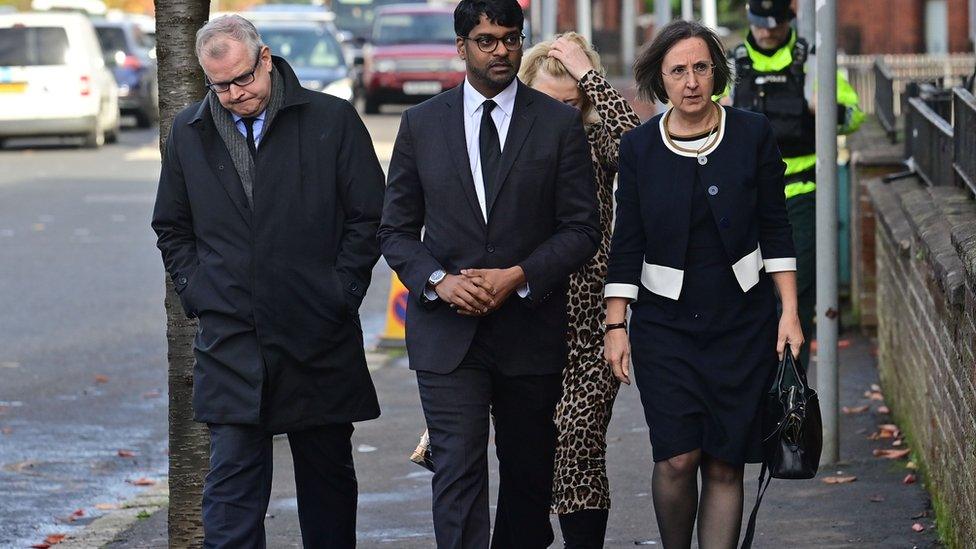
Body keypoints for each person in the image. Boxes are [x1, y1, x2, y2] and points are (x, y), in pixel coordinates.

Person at [151, 14, 385, 548]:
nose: (235, 94)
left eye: (243, 79)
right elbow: (172, 226)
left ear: (265, 58)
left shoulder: (331, 118)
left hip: (317, 332)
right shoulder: (188, 133)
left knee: (326, 485)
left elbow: (369, 215)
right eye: (221, 86)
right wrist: (200, 292)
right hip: (231, 337)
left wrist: (340, 291)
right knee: (231, 494)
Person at [377, 0, 600, 546]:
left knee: (527, 473)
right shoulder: (421, 125)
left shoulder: (556, 124)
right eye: (486, 40)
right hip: (448, 331)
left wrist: (518, 275)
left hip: (529, 326)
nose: (501, 50)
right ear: (461, 46)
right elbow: (395, 231)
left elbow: (580, 229)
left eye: (510, 38)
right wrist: (438, 281)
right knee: (456, 469)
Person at [603, 20, 803, 548]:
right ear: (658, 80)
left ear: (715, 73)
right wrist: (616, 325)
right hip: (666, 327)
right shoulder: (639, 148)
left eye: (700, 67)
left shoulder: (752, 133)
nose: (690, 81)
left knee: (722, 460)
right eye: (677, 71)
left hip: (741, 322)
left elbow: (774, 227)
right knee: (675, 457)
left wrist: (789, 312)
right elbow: (627, 243)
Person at [519, 31, 640, 548]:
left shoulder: (597, 140)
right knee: (526, 444)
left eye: (573, 104)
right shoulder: (508, 142)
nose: (563, 116)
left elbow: (642, 148)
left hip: (592, 320)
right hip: (522, 317)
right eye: (552, 103)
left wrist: (591, 76)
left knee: (578, 439)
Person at [731, 0, 863, 366]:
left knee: (796, 290)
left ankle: (792, 384)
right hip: (744, 198)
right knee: (746, 291)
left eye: (776, 23)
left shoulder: (812, 62)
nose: (768, 30)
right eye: (760, 23)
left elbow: (854, 116)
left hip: (801, 193)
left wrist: (827, 107)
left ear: (790, 18)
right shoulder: (730, 65)